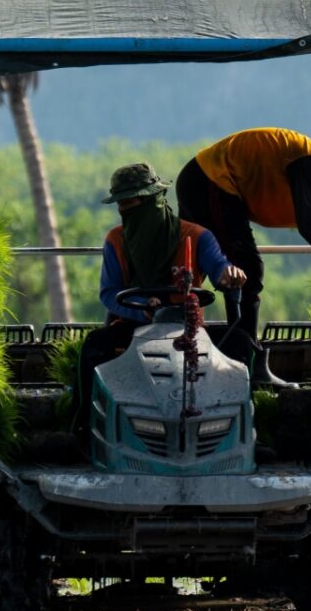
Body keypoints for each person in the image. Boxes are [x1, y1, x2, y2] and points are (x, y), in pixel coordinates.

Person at [176, 128, 311, 384]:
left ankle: (237, 357)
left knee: (215, 271)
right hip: (210, 179)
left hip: (214, 183)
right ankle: (245, 362)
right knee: (247, 268)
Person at [74, 164, 246, 434]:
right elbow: (109, 293)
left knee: (240, 343)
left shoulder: (197, 236)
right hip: (135, 326)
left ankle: (246, 428)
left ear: (155, 200)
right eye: (121, 205)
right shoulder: (116, 241)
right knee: (94, 347)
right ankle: (83, 426)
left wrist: (229, 273)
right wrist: (142, 309)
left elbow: (219, 267)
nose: (125, 211)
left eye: (132, 203)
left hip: (189, 328)